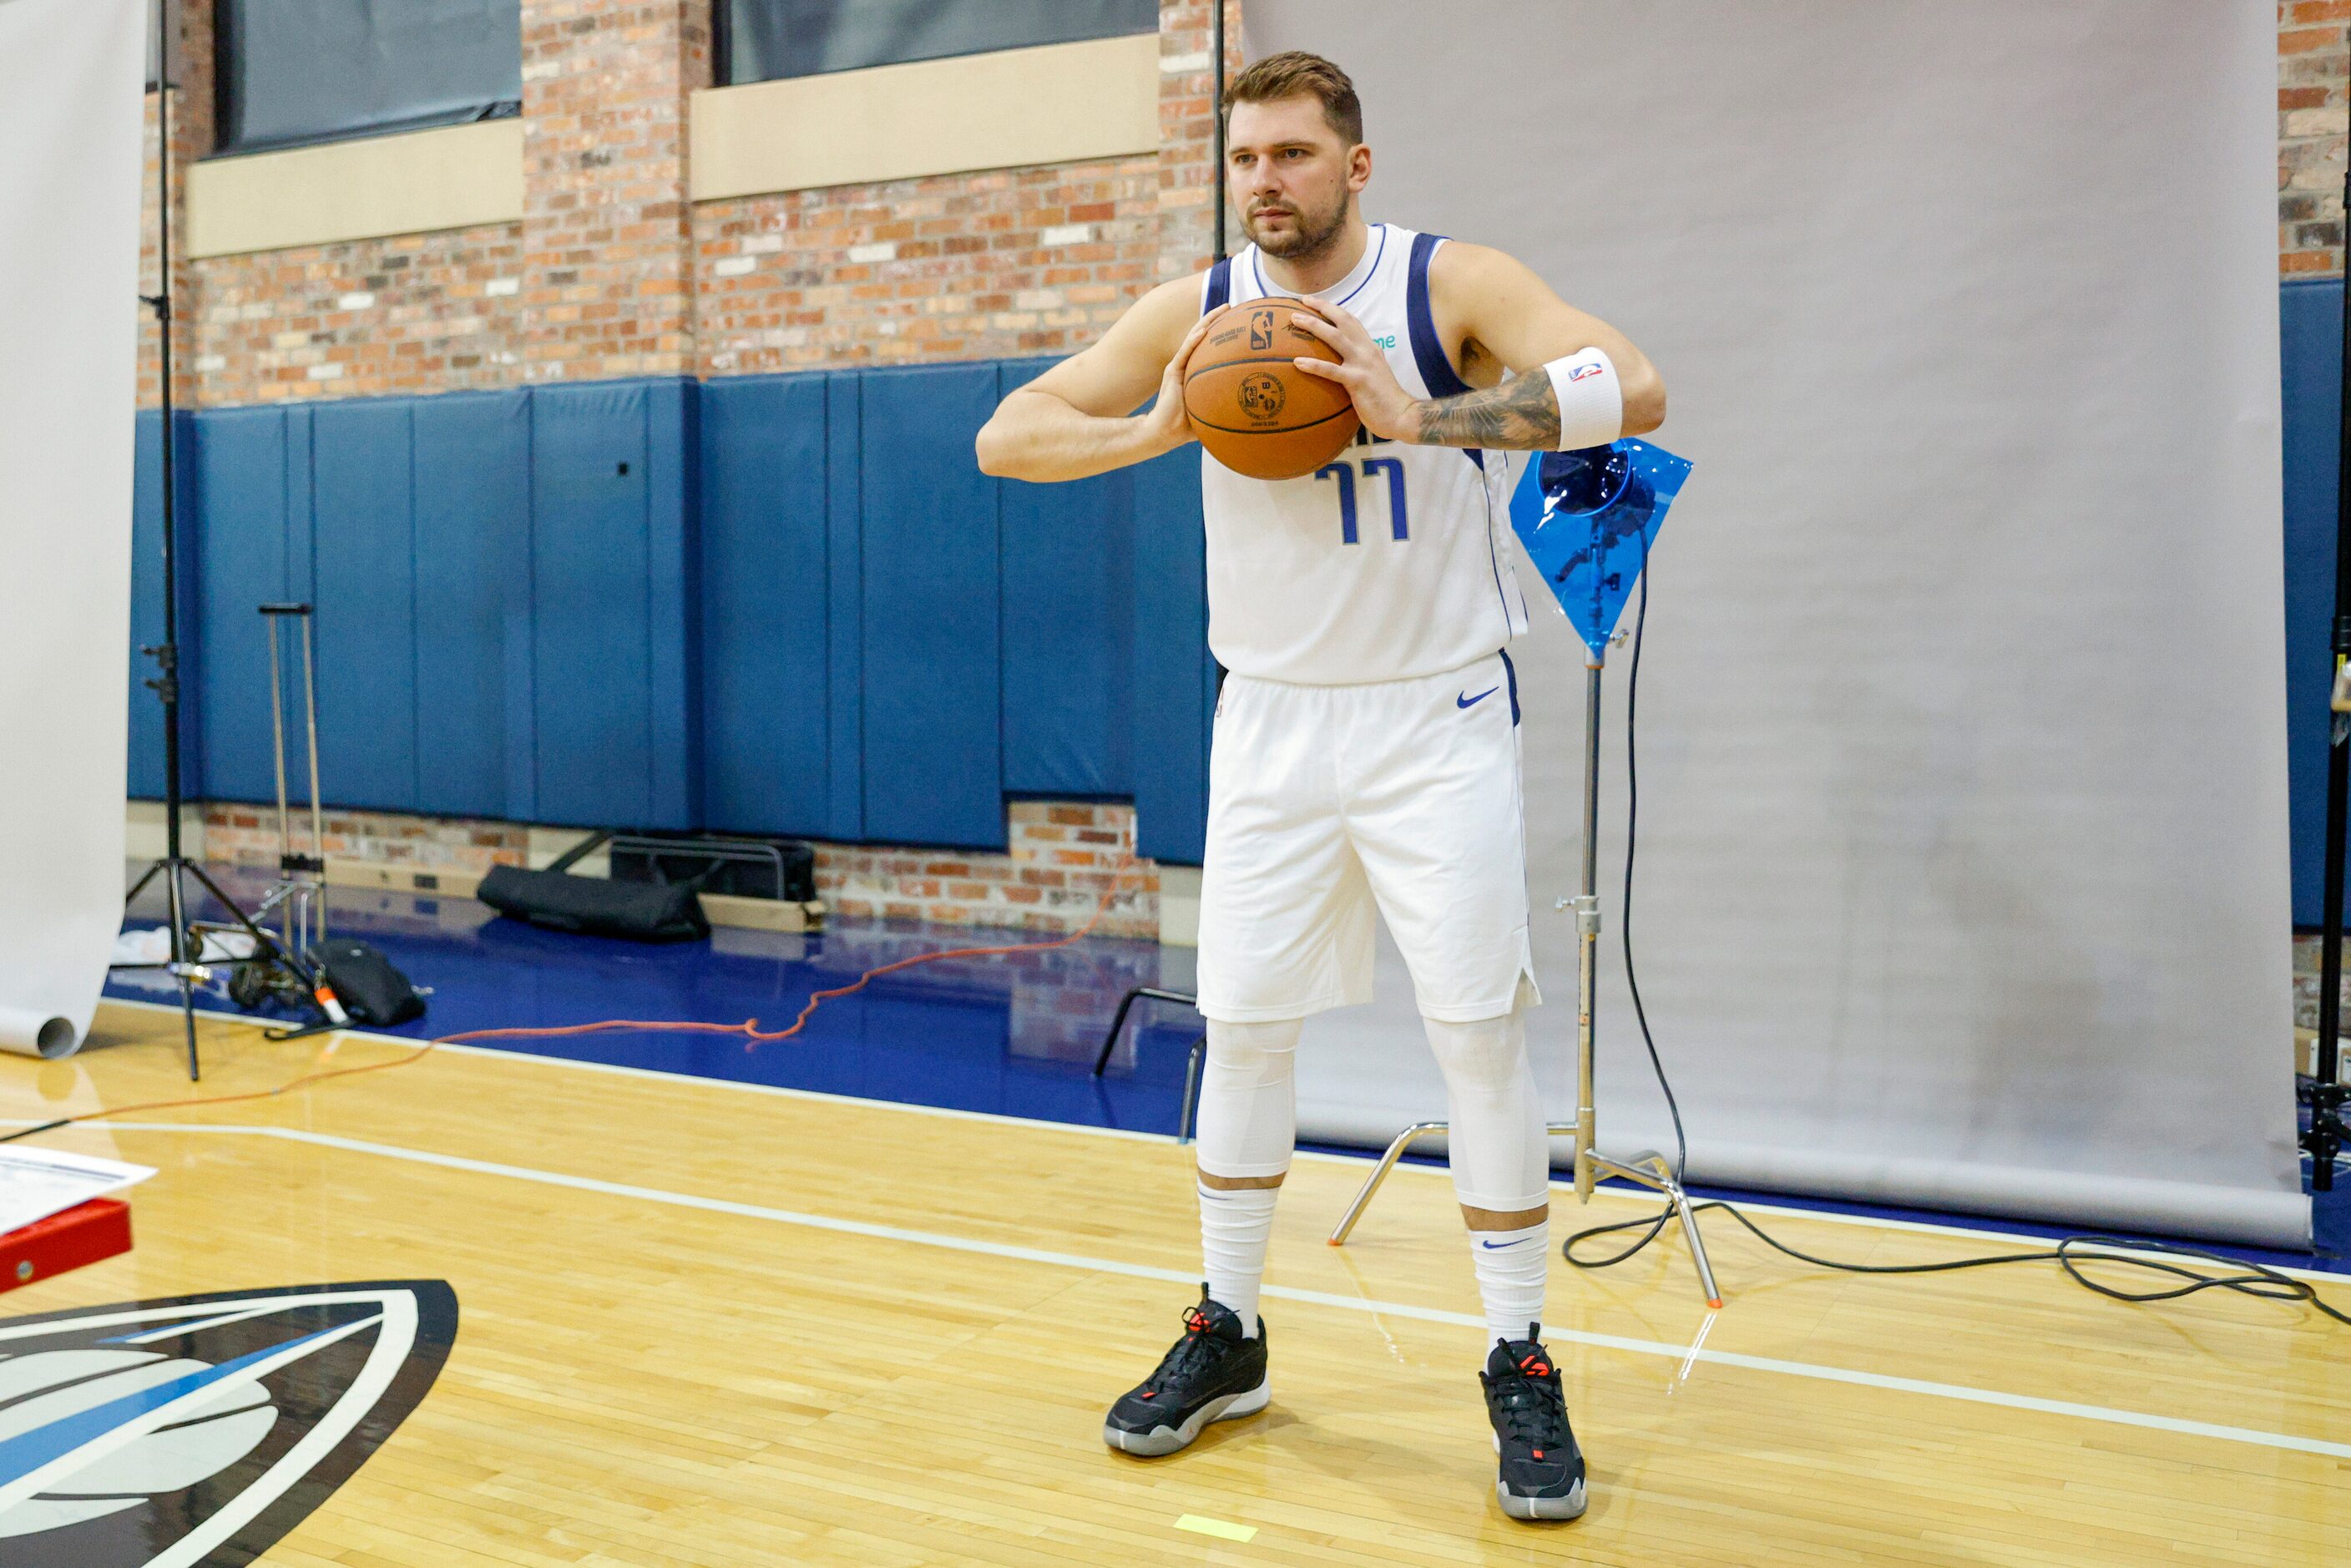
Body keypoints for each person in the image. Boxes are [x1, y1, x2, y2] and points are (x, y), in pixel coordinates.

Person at [974, 48, 1666, 1523]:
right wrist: (1157, 425)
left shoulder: (1445, 286)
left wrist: (1436, 417)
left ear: (1354, 165)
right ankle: (1226, 1332)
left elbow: (1637, 380)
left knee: (1478, 1037)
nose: (1266, 181)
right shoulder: (1201, 314)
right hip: (1273, 719)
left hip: (1436, 717)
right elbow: (1006, 433)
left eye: (1293, 155)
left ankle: (1519, 1358)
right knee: (1247, 1031)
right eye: (1246, 159)